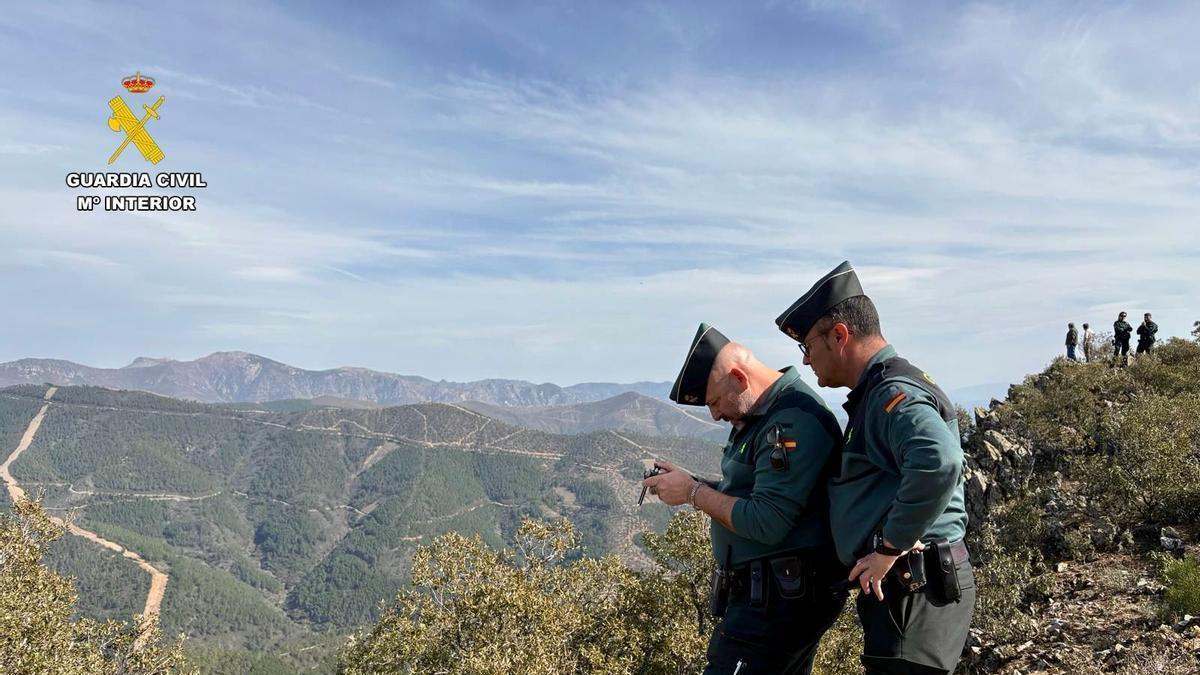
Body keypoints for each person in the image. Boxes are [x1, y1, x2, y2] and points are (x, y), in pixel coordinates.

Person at [774, 261, 975, 675]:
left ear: (840, 335)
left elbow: (940, 461)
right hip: (908, 591)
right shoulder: (879, 392)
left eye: (807, 346)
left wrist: (887, 548)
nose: (807, 360)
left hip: (913, 589)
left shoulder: (890, 394)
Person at [646, 323, 846, 675]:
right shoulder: (763, 416)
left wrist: (693, 493)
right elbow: (751, 492)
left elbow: (765, 520)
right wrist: (690, 482)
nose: (716, 415)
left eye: (715, 402)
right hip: (769, 598)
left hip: (776, 604)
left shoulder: (791, 420)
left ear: (739, 378)